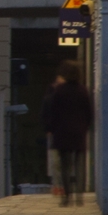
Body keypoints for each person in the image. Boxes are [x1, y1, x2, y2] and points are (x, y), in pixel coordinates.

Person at [43, 61, 93, 207]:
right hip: (78, 131)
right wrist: (85, 127)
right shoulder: (83, 90)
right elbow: (88, 112)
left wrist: (50, 128)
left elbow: (53, 111)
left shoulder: (59, 90)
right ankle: (79, 196)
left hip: (62, 131)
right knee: (79, 164)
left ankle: (66, 197)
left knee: (65, 166)